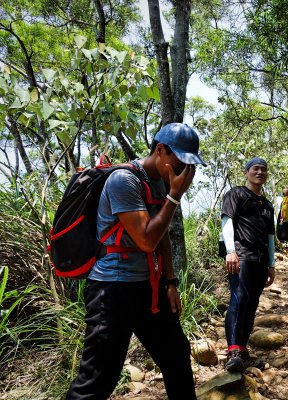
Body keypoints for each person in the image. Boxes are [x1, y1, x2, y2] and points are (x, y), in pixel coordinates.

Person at [66, 123, 204, 400]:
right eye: (181, 161)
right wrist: (175, 196)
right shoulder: (123, 181)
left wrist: (171, 282)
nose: (185, 170)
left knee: (176, 355)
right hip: (111, 290)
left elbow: (161, 234)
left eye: (191, 164)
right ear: (161, 150)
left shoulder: (160, 182)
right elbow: (146, 240)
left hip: (147, 289)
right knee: (97, 380)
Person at [221, 157, 275, 372]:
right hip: (241, 256)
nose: (260, 172)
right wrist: (230, 251)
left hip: (260, 260)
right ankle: (232, 351)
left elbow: (270, 235)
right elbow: (227, 221)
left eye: (263, 169)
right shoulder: (236, 194)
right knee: (238, 299)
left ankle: (242, 349)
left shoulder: (268, 205)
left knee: (252, 303)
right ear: (246, 172)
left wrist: (271, 264)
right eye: (255, 168)